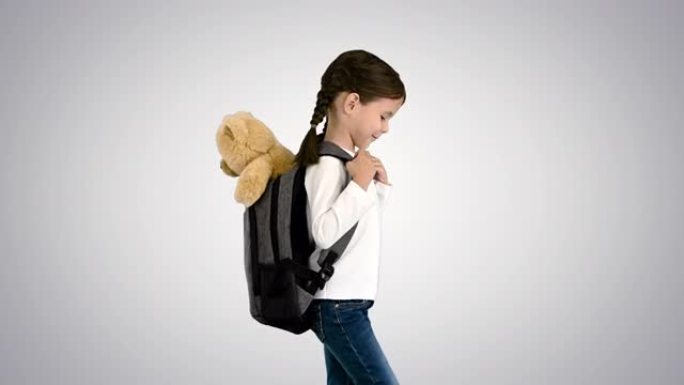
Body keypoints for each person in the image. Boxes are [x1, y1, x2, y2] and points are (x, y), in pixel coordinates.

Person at [295, 49, 406, 385]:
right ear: (352, 103)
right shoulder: (326, 164)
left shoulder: (347, 161)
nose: (385, 128)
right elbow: (325, 232)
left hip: (346, 305)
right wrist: (359, 183)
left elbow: (355, 231)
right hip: (338, 307)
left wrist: (378, 190)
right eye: (384, 116)